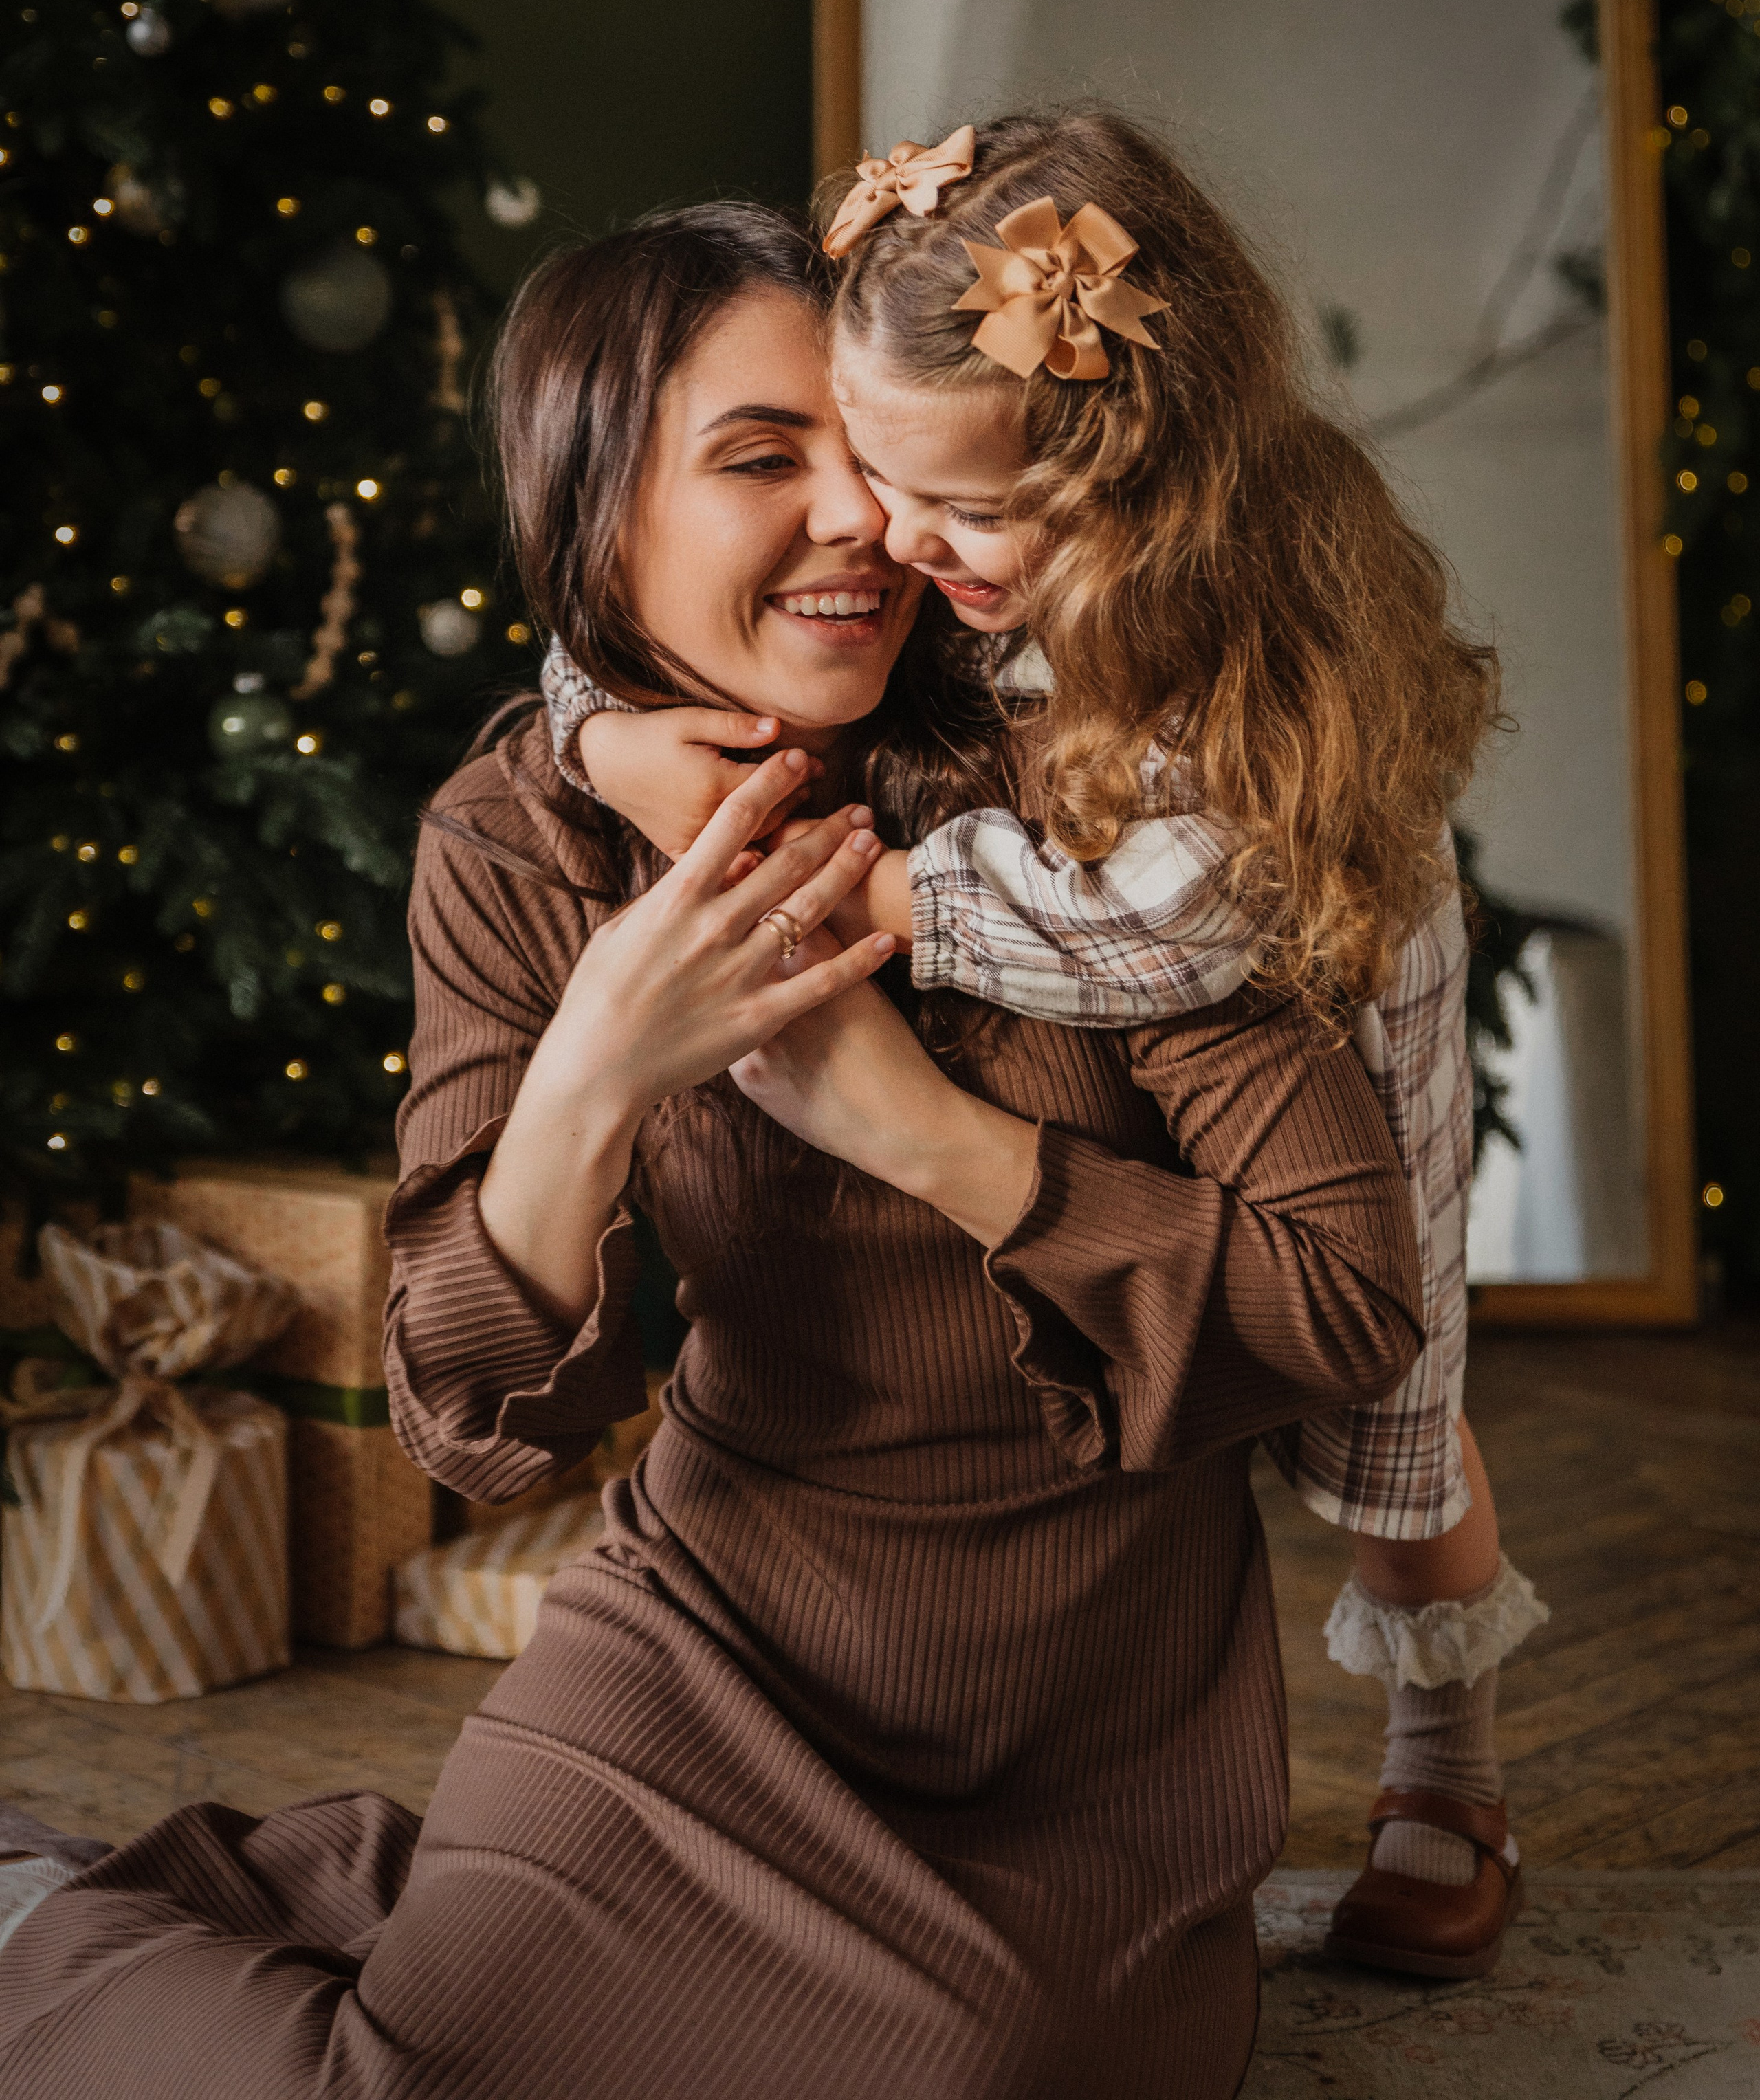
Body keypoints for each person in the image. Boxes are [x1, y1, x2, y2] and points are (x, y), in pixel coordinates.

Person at [0, 202, 1425, 2100]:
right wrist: (592, 1074)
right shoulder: (523, 838)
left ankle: (398, 1910)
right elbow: (462, 1414)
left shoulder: (1097, 785)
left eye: (869, 455)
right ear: (595, 511)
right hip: (712, 1639)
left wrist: (928, 1136)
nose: (866, 522)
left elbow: (1344, 1301)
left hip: (1084, 1720)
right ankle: (44, 1919)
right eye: (765, 460)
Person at [542, 111, 1546, 1980]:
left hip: (1303, 942)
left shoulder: (1240, 625)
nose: (895, 540)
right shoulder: (946, 523)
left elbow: (1189, 914)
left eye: (965, 514)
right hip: (1082, 956)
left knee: (1389, 1428)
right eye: (867, 473)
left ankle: (1451, 1763)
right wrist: (592, 732)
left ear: (1131, 486)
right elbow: (634, 618)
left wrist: (905, 909)